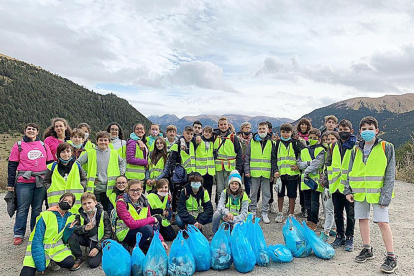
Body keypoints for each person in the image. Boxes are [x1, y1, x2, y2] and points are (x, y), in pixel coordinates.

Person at [344, 116, 397, 273]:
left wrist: (386, 196)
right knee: (362, 219)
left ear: (377, 131)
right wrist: (348, 190)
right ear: (360, 131)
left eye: (370, 129)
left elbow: (390, 173)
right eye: (364, 129)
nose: (367, 131)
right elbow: (350, 171)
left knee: (382, 223)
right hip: (360, 192)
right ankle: (367, 249)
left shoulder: (386, 147)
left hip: (379, 194)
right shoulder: (355, 149)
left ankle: (391, 257)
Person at [8, 123, 54, 245]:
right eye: (29, 129)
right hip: (24, 182)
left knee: (37, 209)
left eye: (34, 129)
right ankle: (19, 234)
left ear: (37, 132)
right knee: (22, 209)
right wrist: (10, 183)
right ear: (25, 131)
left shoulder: (43, 145)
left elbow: (50, 163)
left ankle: (35, 232)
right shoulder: (18, 145)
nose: (31, 131)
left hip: (41, 181)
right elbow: (12, 165)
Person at [20, 193, 77, 276]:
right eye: (64, 200)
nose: (66, 202)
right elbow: (37, 240)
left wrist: (69, 230)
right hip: (39, 248)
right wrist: (41, 266)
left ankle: (54, 261)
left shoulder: (70, 218)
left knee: (70, 262)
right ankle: (44, 262)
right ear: (59, 201)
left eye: (69, 202)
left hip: (56, 250)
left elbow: (64, 239)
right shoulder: (46, 215)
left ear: (71, 206)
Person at [326, 119, 356, 252]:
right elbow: (328, 164)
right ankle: (339, 235)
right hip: (336, 186)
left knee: (350, 214)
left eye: (346, 130)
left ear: (351, 131)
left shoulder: (356, 147)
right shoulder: (333, 146)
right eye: (341, 130)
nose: (343, 132)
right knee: (338, 213)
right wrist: (326, 182)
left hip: (350, 188)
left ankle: (350, 237)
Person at [78, 131, 125, 212]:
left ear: (109, 142)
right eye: (101, 140)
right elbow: (78, 163)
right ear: (97, 141)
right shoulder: (91, 152)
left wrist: (120, 174)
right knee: (96, 211)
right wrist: (85, 176)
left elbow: (122, 162)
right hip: (96, 189)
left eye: (105, 140)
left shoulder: (114, 153)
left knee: (109, 210)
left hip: (110, 189)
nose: (103, 142)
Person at [115, 180, 168, 251]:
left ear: (142, 190)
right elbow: (132, 224)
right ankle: (135, 248)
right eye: (132, 190)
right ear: (128, 190)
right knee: (148, 229)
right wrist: (152, 219)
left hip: (140, 231)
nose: (135, 192)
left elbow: (152, 225)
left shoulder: (145, 202)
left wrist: (161, 240)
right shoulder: (121, 203)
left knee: (156, 246)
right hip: (125, 233)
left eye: (138, 190)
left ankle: (134, 247)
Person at [67, 192, 112, 270]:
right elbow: (75, 228)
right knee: (71, 235)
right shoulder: (80, 214)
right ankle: (79, 257)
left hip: (97, 241)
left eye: (89, 203)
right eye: (84, 204)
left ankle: (100, 251)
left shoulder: (103, 214)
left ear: (95, 202)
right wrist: (84, 228)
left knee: (93, 264)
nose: (87, 206)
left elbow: (108, 233)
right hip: (86, 238)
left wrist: (97, 248)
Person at [244, 122, 277, 224]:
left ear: (268, 130)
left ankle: (264, 212)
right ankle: (253, 210)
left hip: (266, 173)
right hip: (254, 172)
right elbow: (247, 157)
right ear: (257, 130)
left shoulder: (272, 143)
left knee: (267, 193)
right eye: (260, 129)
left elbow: (273, 160)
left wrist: (272, 173)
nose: (262, 130)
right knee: (253, 192)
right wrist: (247, 170)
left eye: (263, 129)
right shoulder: (252, 142)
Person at [43, 143, 87, 214]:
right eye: (62, 152)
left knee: (73, 222)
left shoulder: (77, 166)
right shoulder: (52, 167)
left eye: (68, 151)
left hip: (74, 203)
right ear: (58, 153)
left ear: (71, 153)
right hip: (56, 202)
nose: (65, 154)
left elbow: (84, 178)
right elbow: (46, 181)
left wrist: (81, 185)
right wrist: (49, 187)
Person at [275, 123, 305, 223]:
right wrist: (275, 170)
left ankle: (291, 214)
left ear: (291, 132)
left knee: (292, 195)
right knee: (280, 194)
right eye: (283, 132)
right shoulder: (277, 143)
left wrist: (299, 166)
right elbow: (273, 158)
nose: (285, 134)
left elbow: (304, 154)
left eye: (287, 132)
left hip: (293, 174)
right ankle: (280, 213)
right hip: (281, 174)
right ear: (280, 132)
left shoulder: (296, 143)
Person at [297, 128, 325, 231]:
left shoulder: (321, 150)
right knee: (307, 202)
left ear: (319, 139)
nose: (312, 139)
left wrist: (307, 169)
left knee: (314, 202)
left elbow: (318, 163)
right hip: (305, 181)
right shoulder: (304, 150)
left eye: (315, 138)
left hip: (315, 181)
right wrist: (310, 163)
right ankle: (309, 220)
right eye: (311, 137)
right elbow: (299, 164)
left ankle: (314, 221)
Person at [213, 117, 243, 204]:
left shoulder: (234, 138)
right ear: (218, 126)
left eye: (225, 124)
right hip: (218, 167)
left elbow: (239, 154)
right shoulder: (215, 137)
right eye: (221, 124)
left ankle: (229, 206)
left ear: (228, 125)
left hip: (231, 168)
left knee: (230, 188)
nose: (223, 126)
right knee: (219, 189)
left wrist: (238, 168)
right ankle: (220, 206)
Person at [168, 126, 196, 212]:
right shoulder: (177, 144)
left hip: (189, 173)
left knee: (187, 193)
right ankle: (174, 213)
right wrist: (173, 173)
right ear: (183, 133)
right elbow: (172, 160)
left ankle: (184, 211)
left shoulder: (192, 144)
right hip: (179, 174)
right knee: (177, 194)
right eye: (187, 133)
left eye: (191, 134)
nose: (189, 136)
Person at [319, 131, 339, 242]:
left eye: (332, 139)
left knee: (335, 210)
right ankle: (330, 230)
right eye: (327, 139)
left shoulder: (341, 152)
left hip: (339, 186)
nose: (329, 141)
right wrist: (325, 183)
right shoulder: (328, 152)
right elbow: (327, 170)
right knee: (328, 208)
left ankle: (329, 231)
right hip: (329, 185)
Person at [194, 126, 216, 198]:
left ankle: (208, 205)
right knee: (199, 189)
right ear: (202, 132)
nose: (207, 134)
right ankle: (200, 204)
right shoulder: (199, 141)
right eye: (206, 132)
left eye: (209, 132)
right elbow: (194, 136)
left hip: (209, 172)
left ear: (211, 134)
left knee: (209, 190)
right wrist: (198, 136)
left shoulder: (212, 142)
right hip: (200, 171)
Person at [237, 122, 253, 196]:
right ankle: (237, 197)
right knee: (238, 181)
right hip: (239, 162)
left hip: (248, 163)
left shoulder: (253, 139)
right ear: (242, 128)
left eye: (249, 128)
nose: (248, 129)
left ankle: (247, 198)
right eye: (246, 127)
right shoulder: (237, 138)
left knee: (248, 183)